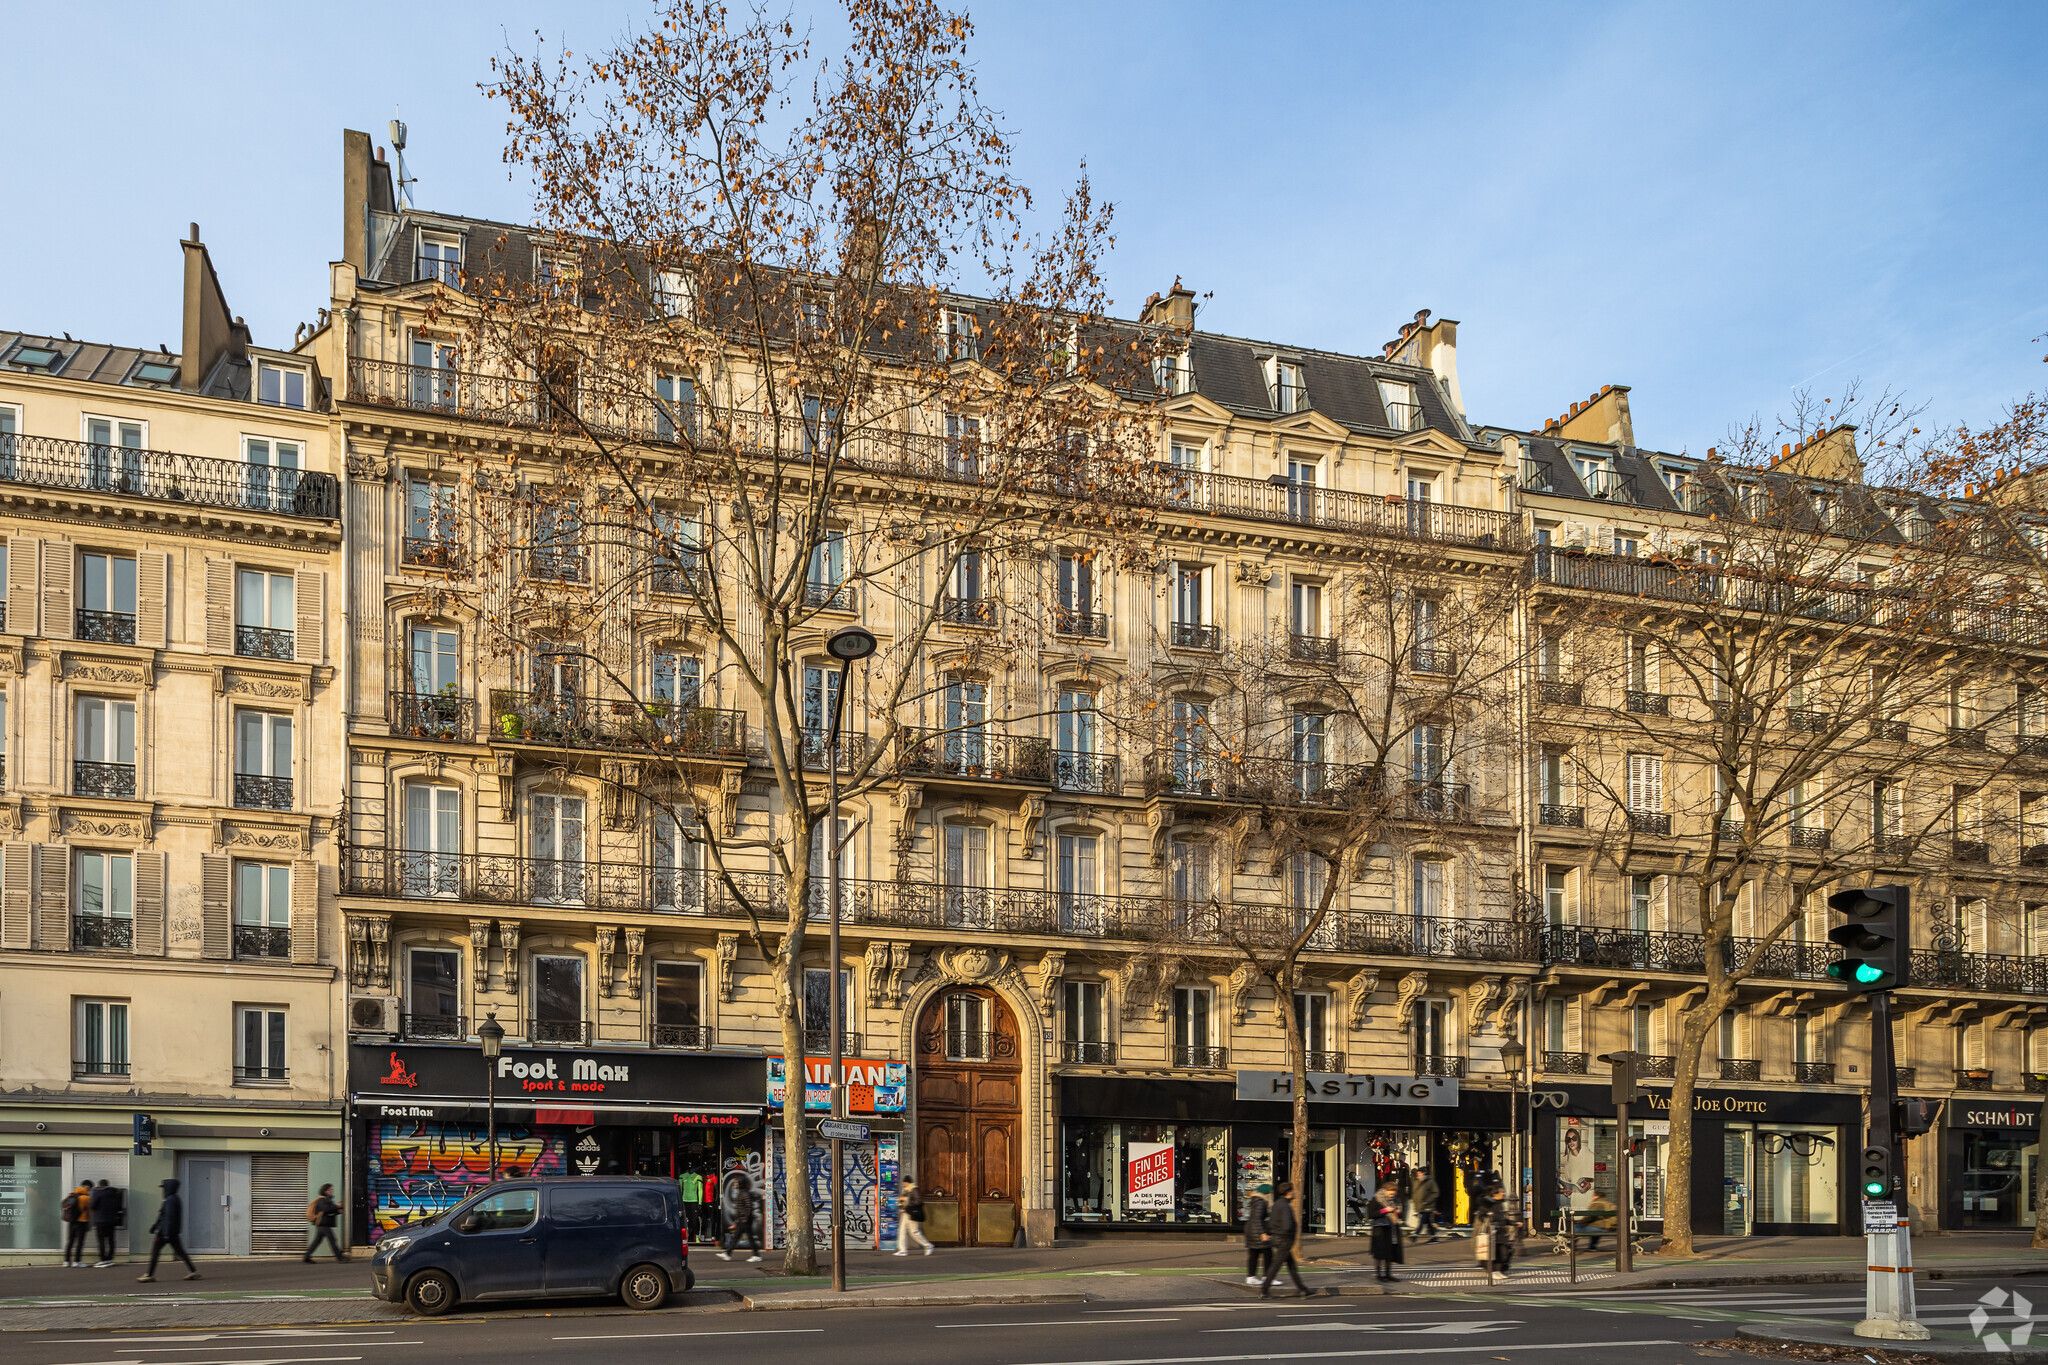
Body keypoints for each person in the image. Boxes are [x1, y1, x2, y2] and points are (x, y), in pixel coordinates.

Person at [138, 1177, 199, 1282]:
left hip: (165, 1232)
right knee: (180, 1252)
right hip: (171, 1231)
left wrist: (164, 1232)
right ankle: (193, 1271)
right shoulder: (174, 1198)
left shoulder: (169, 1200)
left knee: (156, 1252)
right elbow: (164, 1215)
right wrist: (156, 1226)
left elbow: (168, 1217)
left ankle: (149, 1274)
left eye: (164, 1188)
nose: (163, 1190)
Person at [1259, 1180, 1311, 1298]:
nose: (1294, 1193)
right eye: (1292, 1190)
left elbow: (1271, 1222)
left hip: (1278, 1239)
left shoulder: (1277, 1204)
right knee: (1275, 1266)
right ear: (1288, 1192)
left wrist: (1269, 1233)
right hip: (1284, 1241)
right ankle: (1264, 1290)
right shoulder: (1286, 1207)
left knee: (1292, 1266)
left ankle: (1303, 1289)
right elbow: (1287, 1225)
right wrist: (1289, 1234)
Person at [716, 1172, 762, 1263]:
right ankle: (728, 1253)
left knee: (745, 1237)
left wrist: (745, 1218)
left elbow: (749, 1206)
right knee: (739, 1237)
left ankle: (755, 1255)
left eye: (737, 1182)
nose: (735, 1184)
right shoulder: (742, 1192)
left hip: (745, 1220)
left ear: (741, 1183)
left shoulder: (744, 1193)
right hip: (742, 1220)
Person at [1369, 1179, 1404, 1283]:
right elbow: (1371, 1214)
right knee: (1380, 1252)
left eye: (1393, 1193)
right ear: (1385, 1190)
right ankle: (1379, 1274)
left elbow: (1401, 1214)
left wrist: (1398, 1212)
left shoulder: (1396, 1200)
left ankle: (1388, 1274)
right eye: (1390, 1193)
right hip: (1380, 1229)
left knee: (1391, 1252)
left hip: (1392, 1228)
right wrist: (1385, 1210)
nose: (1392, 1195)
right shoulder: (1377, 1199)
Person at [305, 1184, 345, 1263]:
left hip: (323, 1224)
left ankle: (306, 1257)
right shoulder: (322, 1199)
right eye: (330, 1189)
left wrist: (337, 1211)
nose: (332, 1191)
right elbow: (326, 1209)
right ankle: (340, 1257)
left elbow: (329, 1211)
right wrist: (337, 1206)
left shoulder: (328, 1199)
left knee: (317, 1241)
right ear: (325, 1191)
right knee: (332, 1240)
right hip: (323, 1224)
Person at [89, 1179, 124, 1268]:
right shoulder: (116, 1194)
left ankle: (103, 1260)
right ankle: (109, 1259)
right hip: (112, 1220)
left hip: (100, 1220)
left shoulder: (99, 1193)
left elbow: (92, 1206)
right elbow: (119, 1208)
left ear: (100, 1185)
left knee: (101, 1241)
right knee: (111, 1240)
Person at [1242, 1182, 1272, 1285]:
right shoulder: (1261, 1202)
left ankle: (1251, 1276)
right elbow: (1258, 1219)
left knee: (1254, 1254)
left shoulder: (1256, 1201)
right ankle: (1267, 1277)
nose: (1270, 1195)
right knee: (1268, 1253)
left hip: (1251, 1231)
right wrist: (1262, 1233)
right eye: (1269, 1193)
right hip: (1257, 1232)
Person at [895, 1180, 935, 1256]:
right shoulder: (906, 1190)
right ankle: (902, 1250)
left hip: (912, 1213)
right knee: (902, 1231)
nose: (904, 1184)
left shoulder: (914, 1189)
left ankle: (928, 1245)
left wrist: (906, 1200)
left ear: (908, 1182)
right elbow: (904, 1201)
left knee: (914, 1232)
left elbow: (918, 1201)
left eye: (905, 1183)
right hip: (906, 1212)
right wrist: (900, 1203)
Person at [61, 1182, 92, 1266]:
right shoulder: (86, 1198)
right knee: (80, 1242)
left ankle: (66, 1261)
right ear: (87, 1187)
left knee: (70, 1241)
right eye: (89, 1188)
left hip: (72, 1221)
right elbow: (92, 1210)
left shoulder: (70, 1195)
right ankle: (76, 1261)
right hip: (82, 1222)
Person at [1411, 1167, 1440, 1244]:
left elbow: (1436, 1192)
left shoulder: (1430, 1181)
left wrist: (1427, 1201)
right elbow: (1415, 1192)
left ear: (1424, 1173)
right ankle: (1434, 1237)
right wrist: (1414, 1201)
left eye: (1420, 1173)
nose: (1418, 1175)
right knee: (1428, 1223)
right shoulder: (1416, 1181)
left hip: (1428, 1206)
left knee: (1422, 1221)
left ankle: (1415, 1235)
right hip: (1419, 1205)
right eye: (1418, 1173)